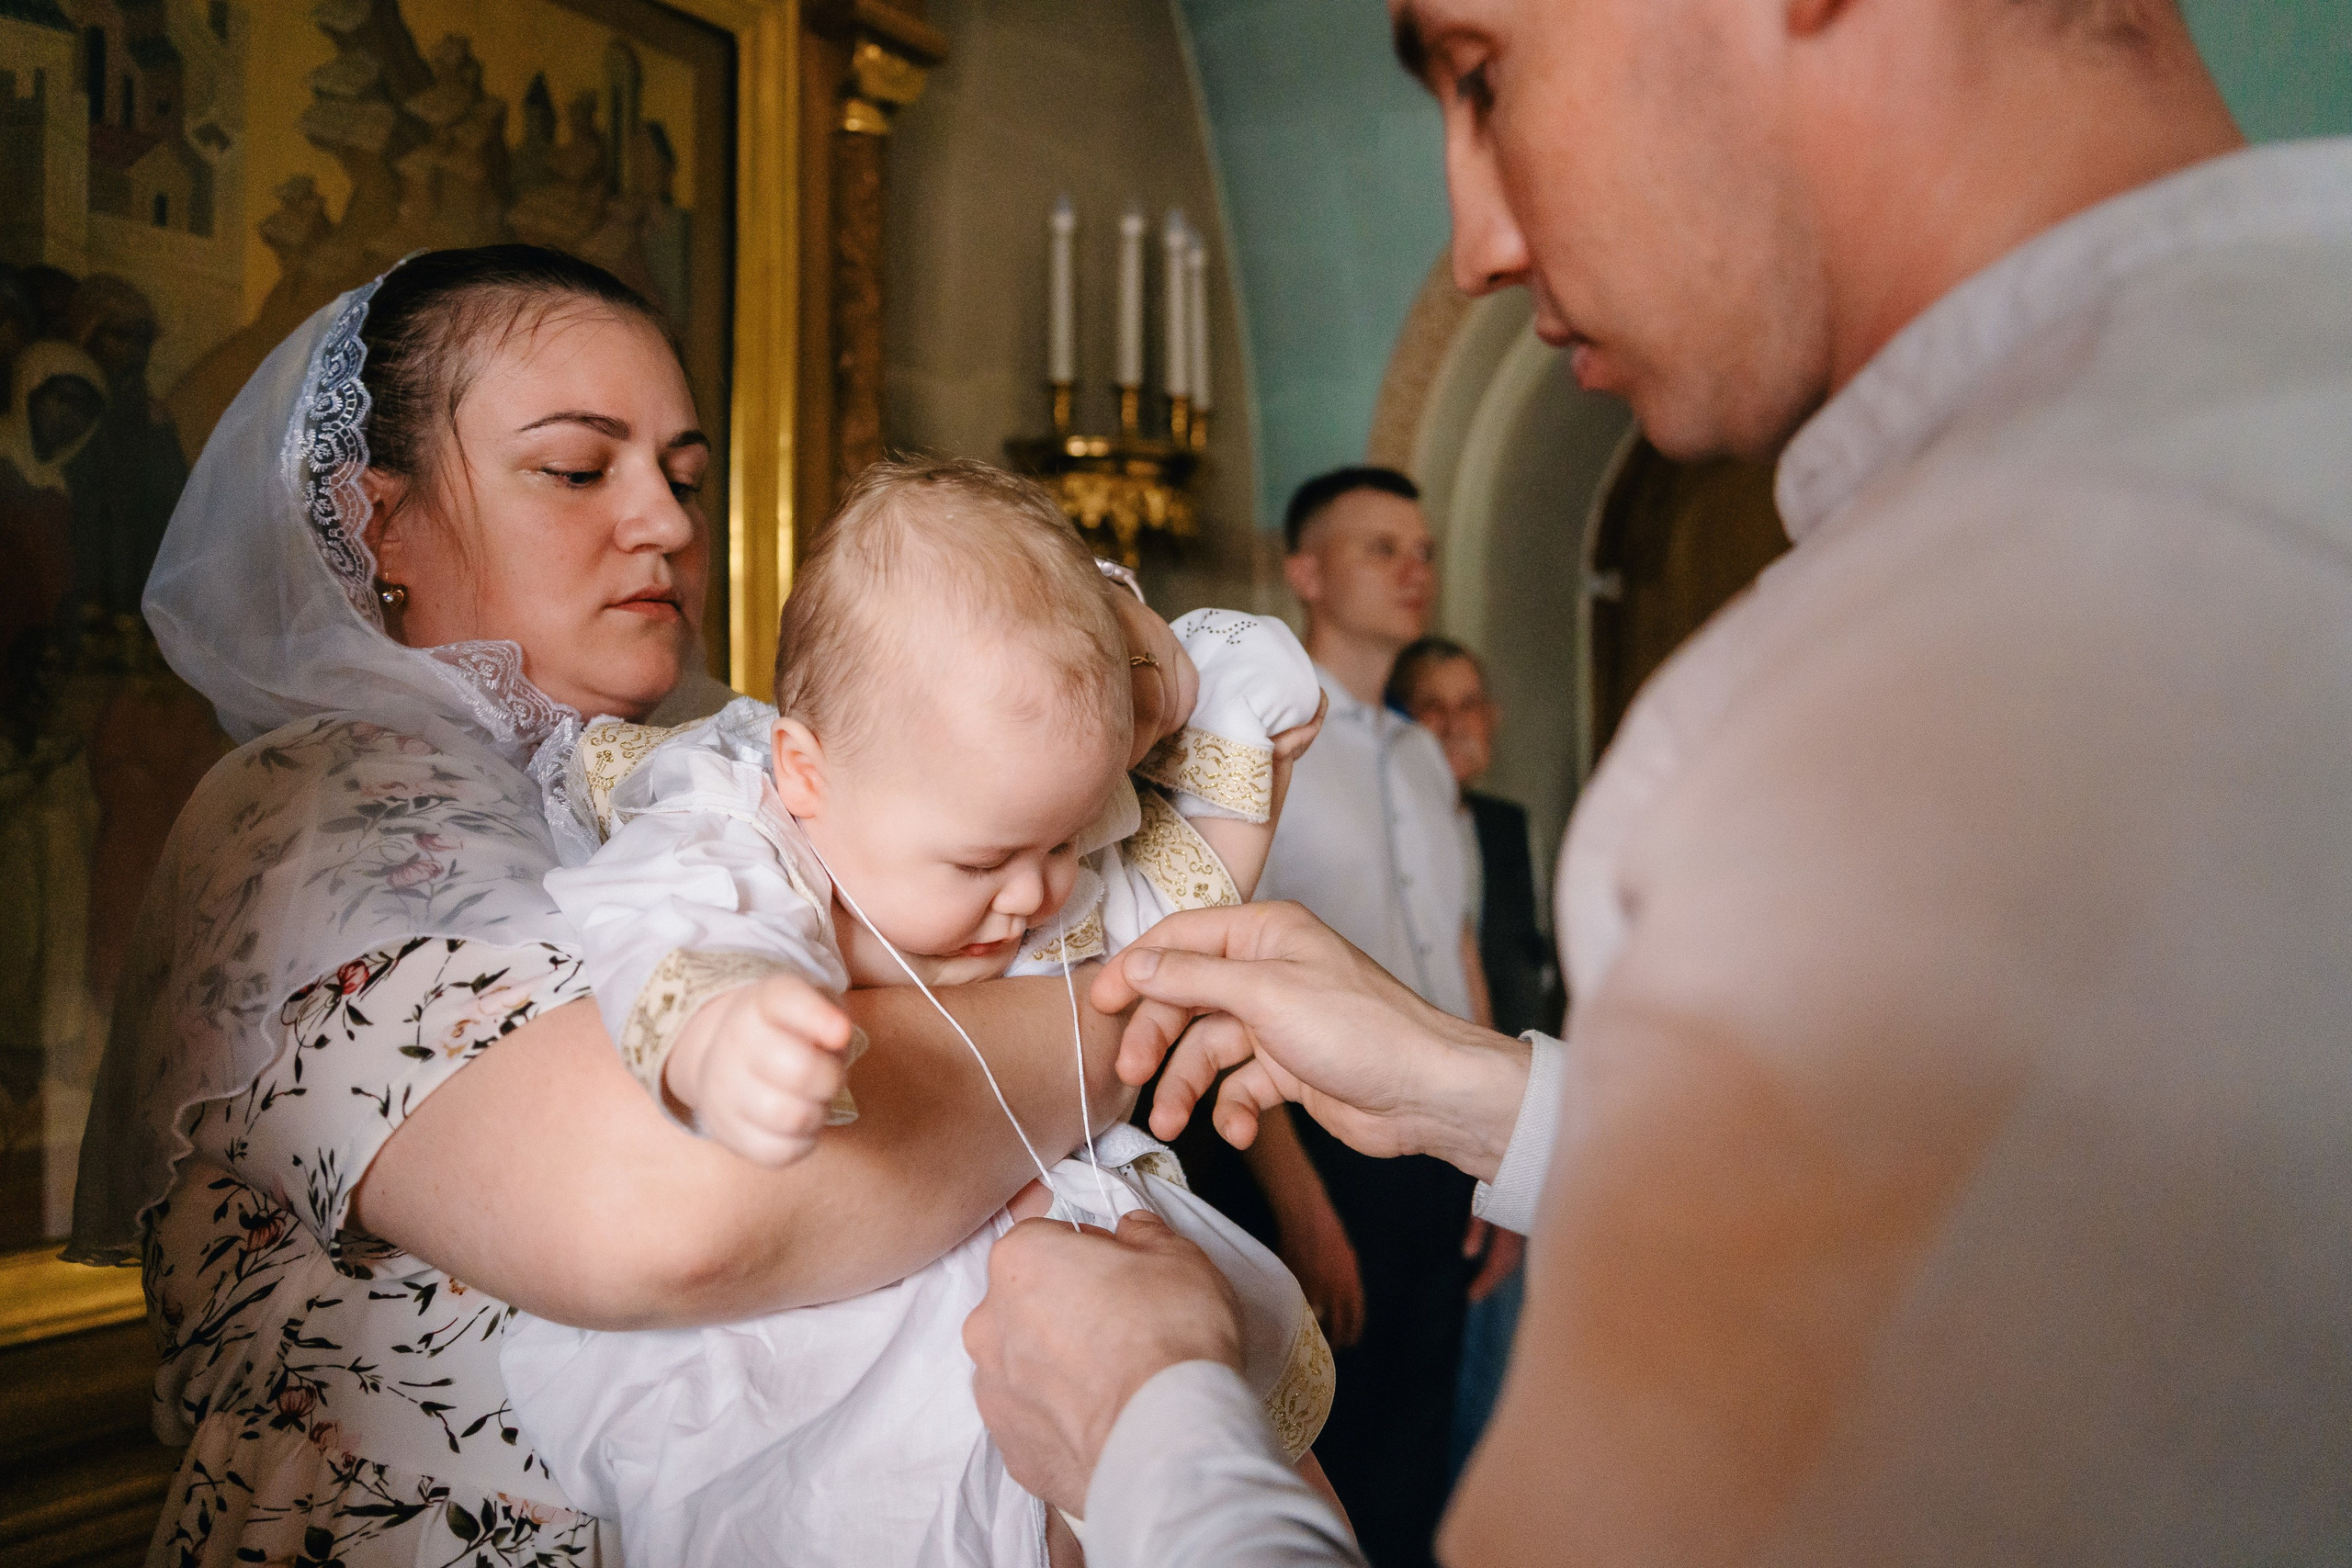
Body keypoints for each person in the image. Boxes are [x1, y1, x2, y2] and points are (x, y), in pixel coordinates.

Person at [959, 1, 2352, 1564]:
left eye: (1484, 75)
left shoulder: (1931, 672)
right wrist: (1479, 1090)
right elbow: (2080, 1261)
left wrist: (1150, 1427)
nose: (1477, 244)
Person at [64, 244, 1200, 1565]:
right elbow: (672, 1213)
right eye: (575, 468)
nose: (665, 521)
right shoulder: (308, 808)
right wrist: (1135, 1008)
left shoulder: (729, 776)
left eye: (684, 476)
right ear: (382, 524)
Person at [500, 457, 1339, 1565]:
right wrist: (726, 1032)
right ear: (806, 774)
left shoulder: (1024, 860)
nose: (1033, 894)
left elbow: (1171, 913)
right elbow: (677, 921)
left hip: (1064, 1280)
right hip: (830, 1334)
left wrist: (1229, 720)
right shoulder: (741, 819)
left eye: (1063, 841)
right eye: (984, 861)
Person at [1237, 465, 1485, 1568]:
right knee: (1333, 1456)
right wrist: (1300, 1202)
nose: (1413, 569)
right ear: (1306, 573)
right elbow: (1221, 969)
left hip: (1451, 1136)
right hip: (1323, 1145)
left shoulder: (1425, 755)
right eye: (1380, 548)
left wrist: (1497, 1156)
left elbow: (1457, 948)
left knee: (1428, 1455)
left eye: (1421, 550)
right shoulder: (1260, 743)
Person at [1384, 637, 1547, 1473]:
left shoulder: (1506, 826)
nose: (1455, 723)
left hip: (1521, 1110)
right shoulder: (1386, 828)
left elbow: (1520, 966)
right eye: (1432, 706)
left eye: (1469, 704)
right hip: (1417, 1124)